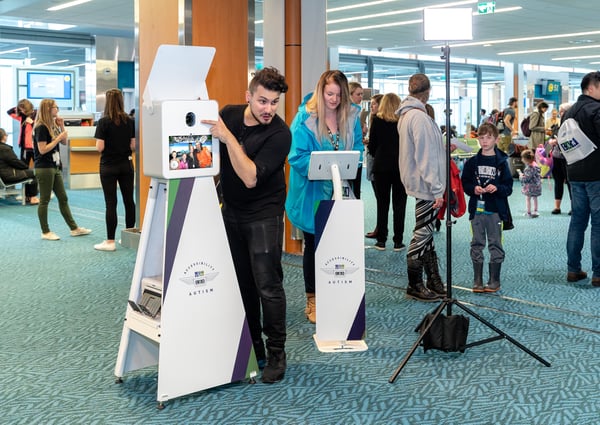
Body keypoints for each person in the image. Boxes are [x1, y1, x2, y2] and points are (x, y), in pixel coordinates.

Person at [202, 66, 291, 384]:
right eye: (263, 101)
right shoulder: (229, 113)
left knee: (267, 285)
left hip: (264, 215)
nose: (269, 109)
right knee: (243, 285)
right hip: (232, 212)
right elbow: (214, 160)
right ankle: (255, 348)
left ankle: (277, 352)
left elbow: (251, 176)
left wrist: (227, 138)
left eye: (275, 102)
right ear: (249, 97)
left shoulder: (280, 134)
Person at [286, 70, 363, 319]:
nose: (334, 99)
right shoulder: (305, 118)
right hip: (312, 192)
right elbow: (295, 156)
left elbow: (359, 148)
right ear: (321, 91)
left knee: (338, 245)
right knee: (314, 245)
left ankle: (336, 295)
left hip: (341, 191)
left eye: (339, 95)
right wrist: (324, 163)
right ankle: (313, 299)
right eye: (329, 94)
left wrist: (351, 160)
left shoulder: (351, 117)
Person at [397, 73, 446, 302]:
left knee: (426, 232)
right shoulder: (419, 117)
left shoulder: (407, 115)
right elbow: (425, 156)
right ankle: (414, 284)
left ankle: (433, 280)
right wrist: (437, 188)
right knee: (422, 233)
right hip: (425, 184)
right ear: (428, 91)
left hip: (418, 182)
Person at [461, 122, 513, 293]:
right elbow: (465, 183)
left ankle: (494, 280)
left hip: (496, 210)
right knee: (476, 243)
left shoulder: (502, 162)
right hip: (477, 210)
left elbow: (508, 187)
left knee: (495, 244)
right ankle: (477, 280)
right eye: (481, 138)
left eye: (488, 138)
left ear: (496, 139)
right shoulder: (472, 162)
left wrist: (497, 188)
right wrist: (473, 189)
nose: (484, 141)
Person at [561, 71, 600, 286]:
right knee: (598, 224)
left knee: (577, 222)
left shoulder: (569, 112)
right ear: (591, 88)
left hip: (574, 174)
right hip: (596, 174)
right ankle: (598, 273)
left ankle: (573, 270)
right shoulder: (596, 110)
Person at [33, 98, 91, 241]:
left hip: (55, 166)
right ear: (48, 109)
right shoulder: (41, 127)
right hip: (44, 167)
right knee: (45, 200)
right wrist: (58, 137)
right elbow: (42, 149)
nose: (57, 110)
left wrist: (62, 127)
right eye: (55, 107)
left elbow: (64, 142)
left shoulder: (53, 125)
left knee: (63, 198)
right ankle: (45, 231)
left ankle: (74, 228)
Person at [93, 88, 136, 252]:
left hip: (108, 166)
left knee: (111, 203)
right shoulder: (130, 120)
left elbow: (99, 147)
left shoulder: (103, 121)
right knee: (128, 201)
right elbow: (133, 145)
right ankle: (129, 237)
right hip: (126, 165)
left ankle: (110, 241)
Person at [368, 93, 407, 252]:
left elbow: (371, 146)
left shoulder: (376, 120)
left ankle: (381, 240)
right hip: (400, 167)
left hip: (381, 167)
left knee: (382, 204)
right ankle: (398, 241)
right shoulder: (403, 121)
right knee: (400, 205)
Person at [7, 99, 39, 204]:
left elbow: (41, 127)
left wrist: (33, 122)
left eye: (24, 109)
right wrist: (19, 108)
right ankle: (25, 193)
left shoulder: (37, 115)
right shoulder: (21, 116)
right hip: (25, 147)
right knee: (23, 169)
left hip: (36, 147)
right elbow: (9, 112)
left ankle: (41, 192)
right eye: (21, 109)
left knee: (40, 169)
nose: (22, 111)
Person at [547, 102, 572, 214]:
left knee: (571, 183)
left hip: (569, 158)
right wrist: (551, 141)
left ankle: (574, 207)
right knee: (558, 182)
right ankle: (557, 207)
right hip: (557, 157)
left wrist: (559, 141)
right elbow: (549, 142)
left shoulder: (573, 126)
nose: (561, 114)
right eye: (560, 111)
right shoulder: (557, 126)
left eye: (563, 111)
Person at [365, 93, 383, 239]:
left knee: (380, 198)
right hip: (373, 161)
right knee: (379, 198)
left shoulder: (378, 121)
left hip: (377, 163)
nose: (371, 107)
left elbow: (375, 145)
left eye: (374, 104)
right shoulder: (372, 120)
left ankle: (380, 229)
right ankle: (379, 228)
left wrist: (369, 143)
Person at [348, 81, 365, 199]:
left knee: (356, 193)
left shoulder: (356, 114)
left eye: (362, 94)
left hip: (357, 158)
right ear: (350, 95)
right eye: (358, 94)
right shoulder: (347, 114)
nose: (361, 97)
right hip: (349, 159)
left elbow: (357, 137)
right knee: (348, 194)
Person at [517, 149, 542, 218]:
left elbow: (526, 179)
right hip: (537, 186)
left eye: (522, 158)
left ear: (526, 159)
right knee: (535, 198)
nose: (521, 159)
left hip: (530, 187)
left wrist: (521, 176)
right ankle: (535, 211)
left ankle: (528, 212)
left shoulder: (529, 168)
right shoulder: (536, 164)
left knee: (528, 198)